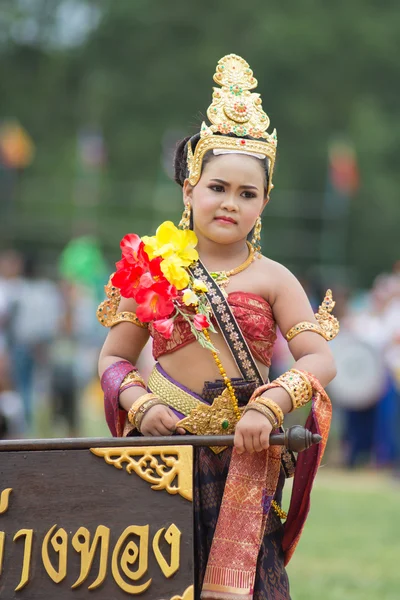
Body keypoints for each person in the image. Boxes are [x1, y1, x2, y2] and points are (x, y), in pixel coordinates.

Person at [98, 54, 338, 600]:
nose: (230, 203)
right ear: (189, 190)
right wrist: (141, 406)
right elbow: (112, 359)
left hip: (246, 453)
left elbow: (320, 358)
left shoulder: (275, 279)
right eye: (217, 187)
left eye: (247, 194)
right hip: (162, 452)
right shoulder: (151, 266)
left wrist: (269, 404)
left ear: (264, 203)